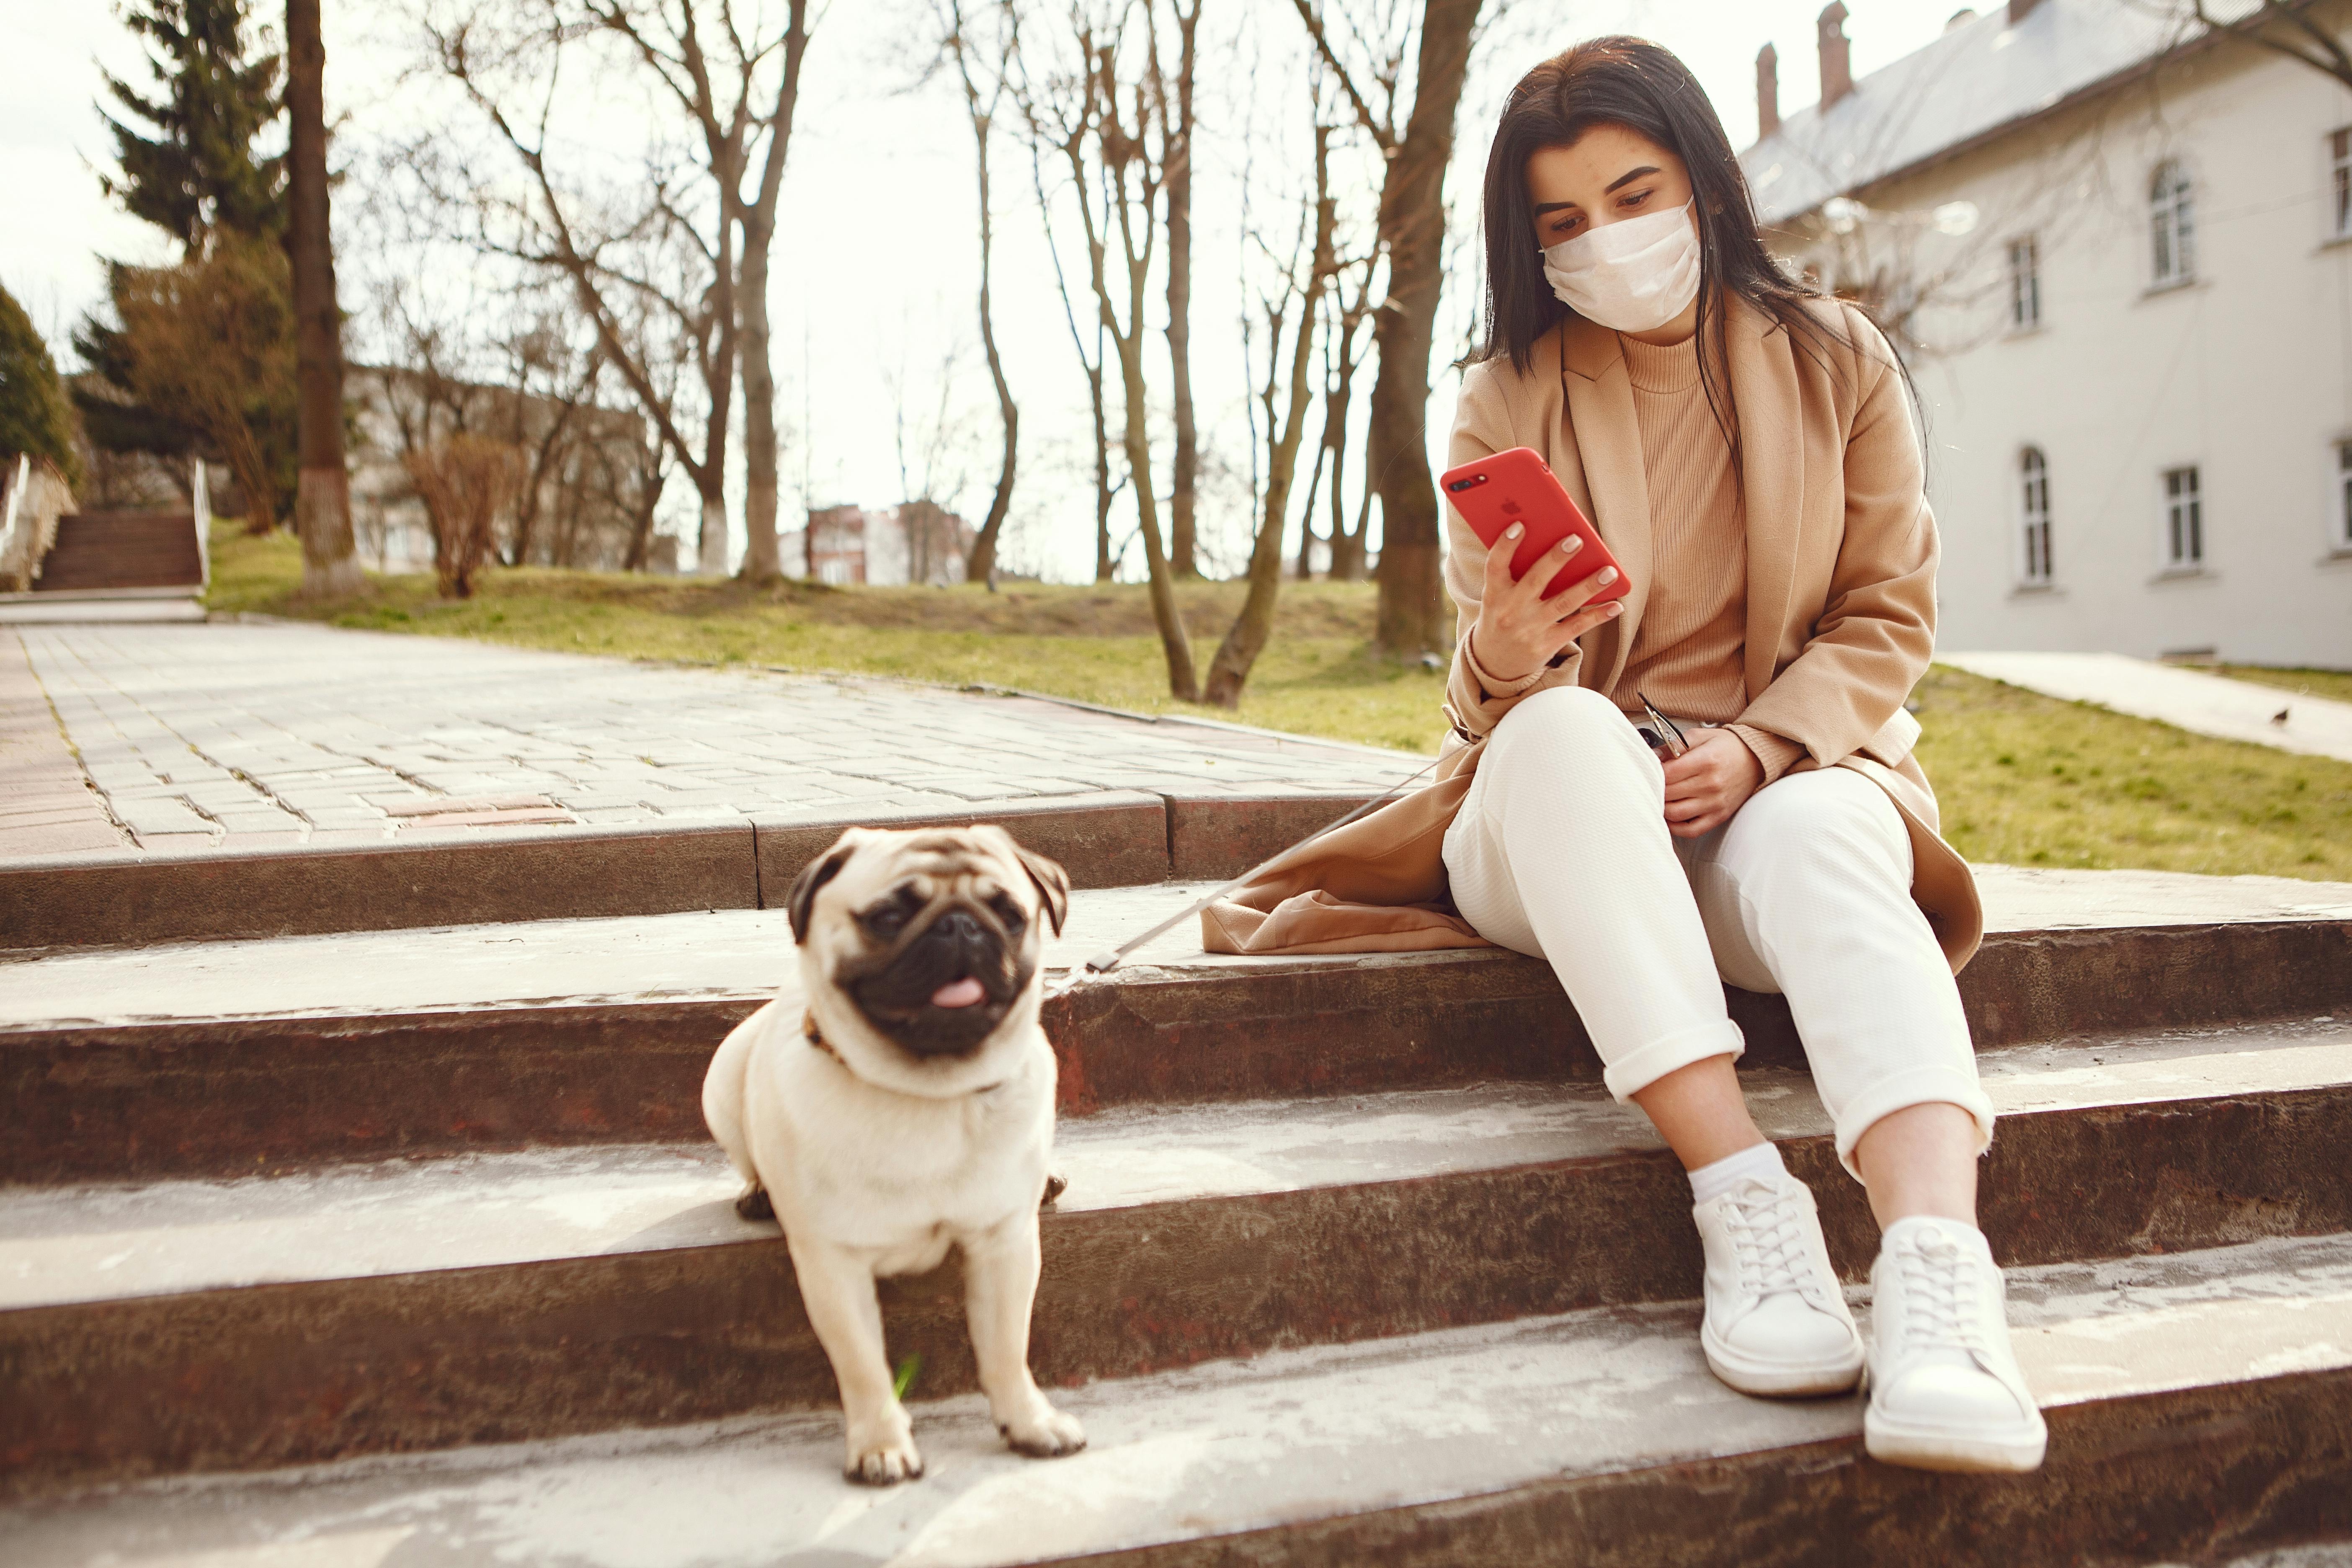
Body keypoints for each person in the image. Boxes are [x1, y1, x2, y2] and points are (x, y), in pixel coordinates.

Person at [1204, 36, 2043, 1475]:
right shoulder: (1506, 394)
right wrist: (1515, 645)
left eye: (1633, 193)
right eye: (1563, 223)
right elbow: (1484, 716)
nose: (1604, 240)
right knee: (1569, 730)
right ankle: (1745, 1205)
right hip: (1561, 825)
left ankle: (1940, 1283)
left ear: (1707, 182)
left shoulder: (1838, 360)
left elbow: (1890, 613)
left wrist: (1767, 747)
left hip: (1765, 809)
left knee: (1828, 830)